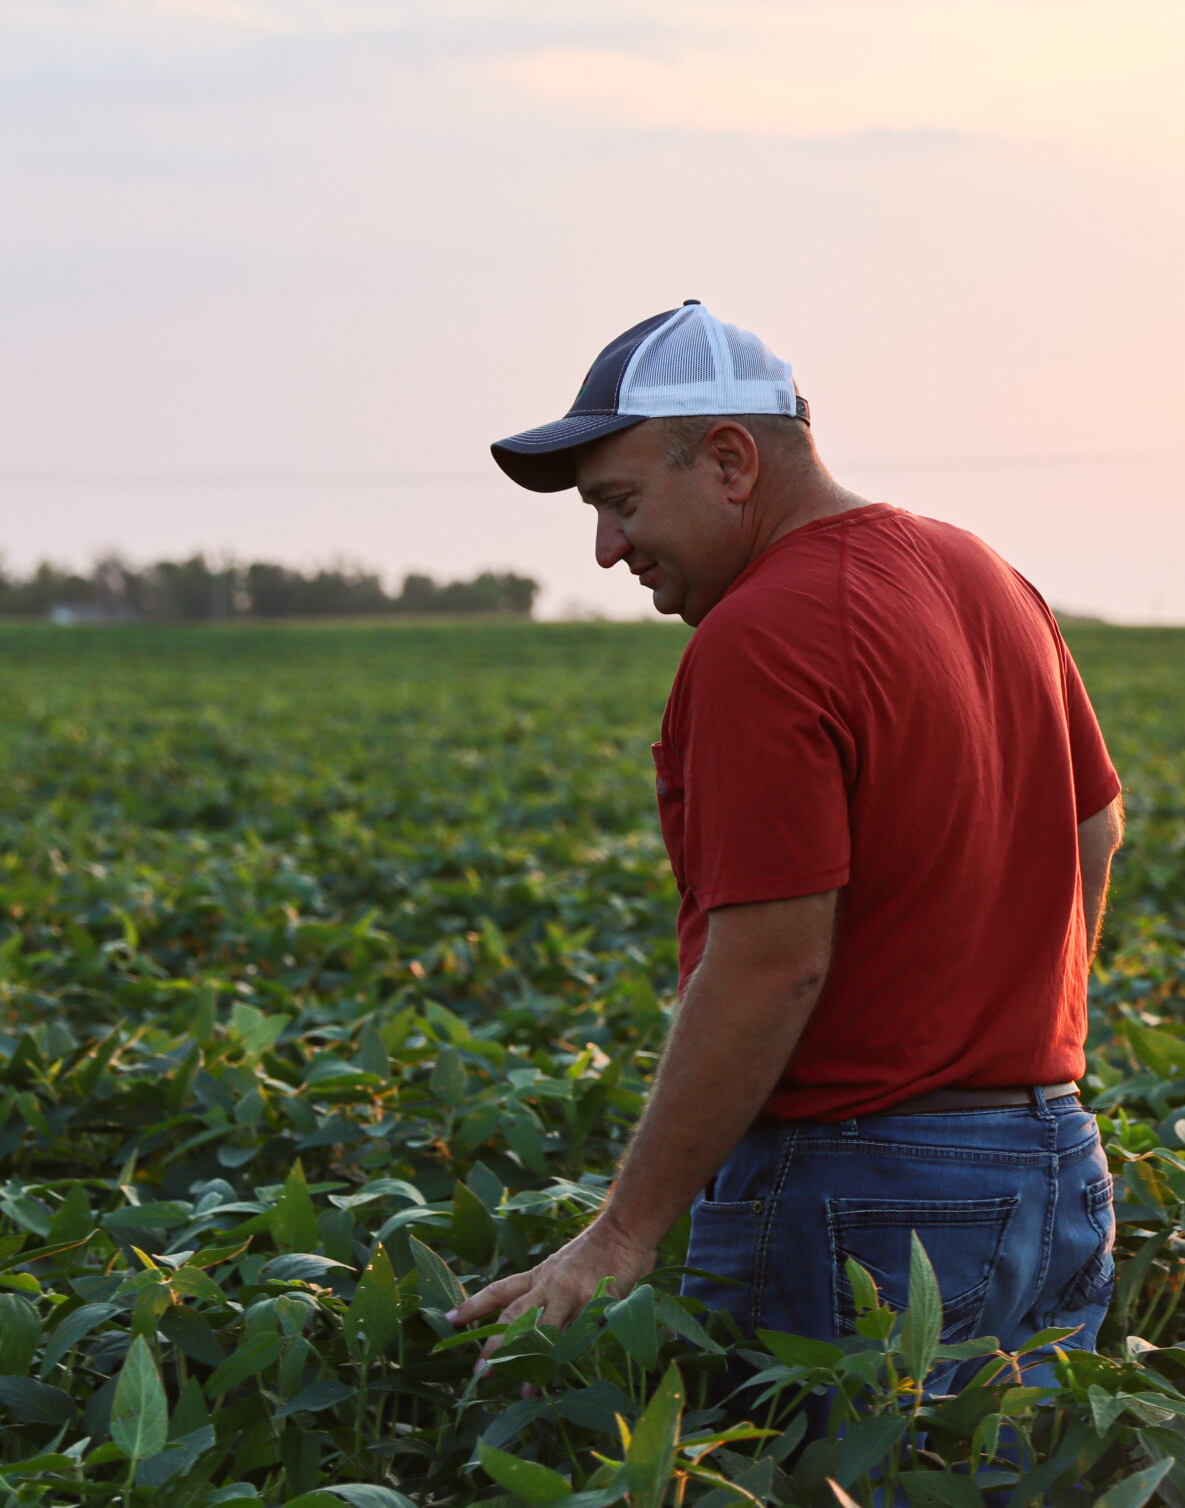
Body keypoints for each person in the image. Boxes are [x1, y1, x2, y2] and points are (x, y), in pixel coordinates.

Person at [450, 299, 1126, 1405]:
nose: (606, 548)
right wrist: (999, 1033)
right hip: (1052, 1165)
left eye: (620, 504)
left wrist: (620, 1236)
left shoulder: (762, 634)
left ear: (728, 460)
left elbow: (772, 960)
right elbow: (1092, 828)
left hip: (864, 1194)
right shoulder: (991, 579)